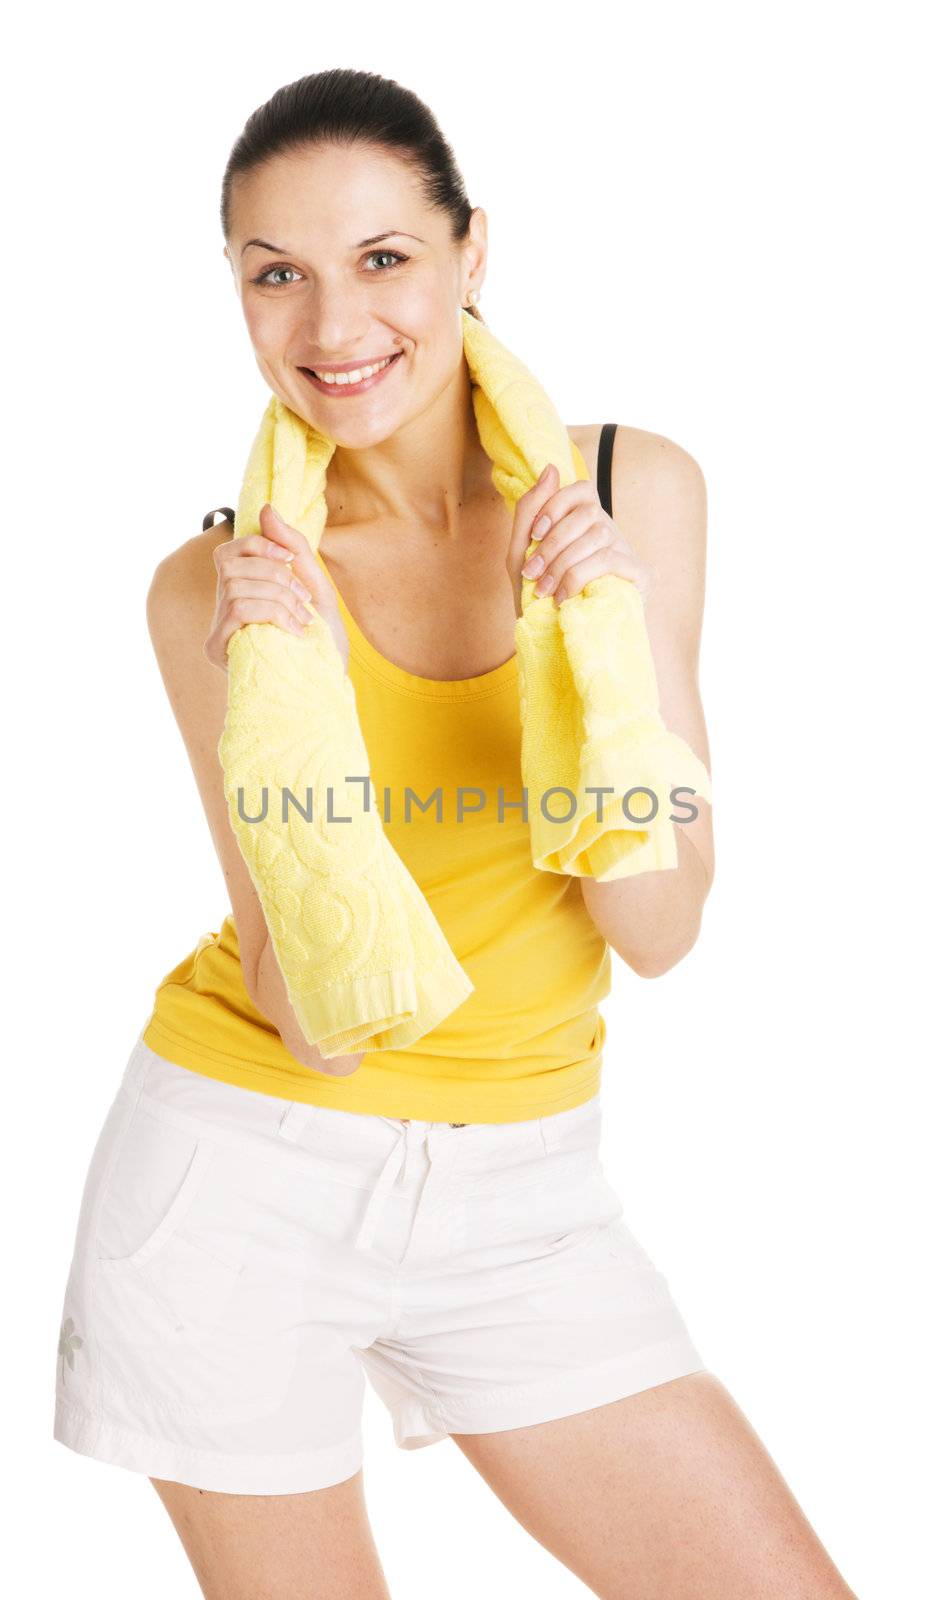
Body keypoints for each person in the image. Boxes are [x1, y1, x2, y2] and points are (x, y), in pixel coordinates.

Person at [53, 68, 857, 1600]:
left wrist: (590, 643)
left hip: (531, 1200)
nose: (333, 328)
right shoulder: (215, 592)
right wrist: (296, 708)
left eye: (382, 259)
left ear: (471, 250)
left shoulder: (627, 495)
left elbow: (662, 931)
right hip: (246, 1173)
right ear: (234, 289)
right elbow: (314, 1017)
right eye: (273, 274)